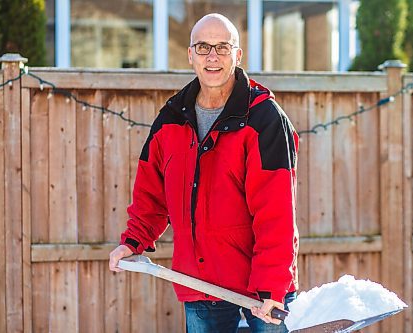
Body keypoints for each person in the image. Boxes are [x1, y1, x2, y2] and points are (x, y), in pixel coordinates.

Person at [109, 13, 299, 333]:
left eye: (222, 47)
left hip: (262, 293)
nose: (212, 56)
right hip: (200, 286)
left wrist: (273, 286)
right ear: (190, 55)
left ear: (237, 55)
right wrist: (133, 242)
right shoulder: (171, 120)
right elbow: (151, 193)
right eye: (203, 47)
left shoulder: (264, 119)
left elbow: (277, 213)